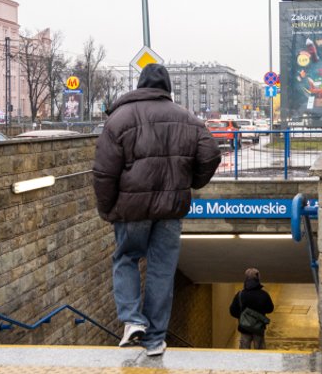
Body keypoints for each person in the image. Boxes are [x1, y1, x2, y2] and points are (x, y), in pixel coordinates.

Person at [93, 64, 221, 356]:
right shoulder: (187, 118)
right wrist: (190, 183)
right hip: (170, 209)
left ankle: (132, 320)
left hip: (131, 208)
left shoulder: (119, 119)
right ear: (167, 88)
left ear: (140, 85)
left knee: (126, 257)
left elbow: (103, 172)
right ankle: (154, 339)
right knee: (162, 270)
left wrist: (107, 208)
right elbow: (211, 154)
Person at [229, 267, 275, 350]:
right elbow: (270, 309)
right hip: (259, 328)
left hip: (244, 327)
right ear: (258, 279)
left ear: (246, 279)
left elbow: (232, 311)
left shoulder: (240, 295)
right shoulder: (264, 294)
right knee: (260, 350)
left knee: (244, 351)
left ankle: (246, 363)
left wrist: (243, 316)